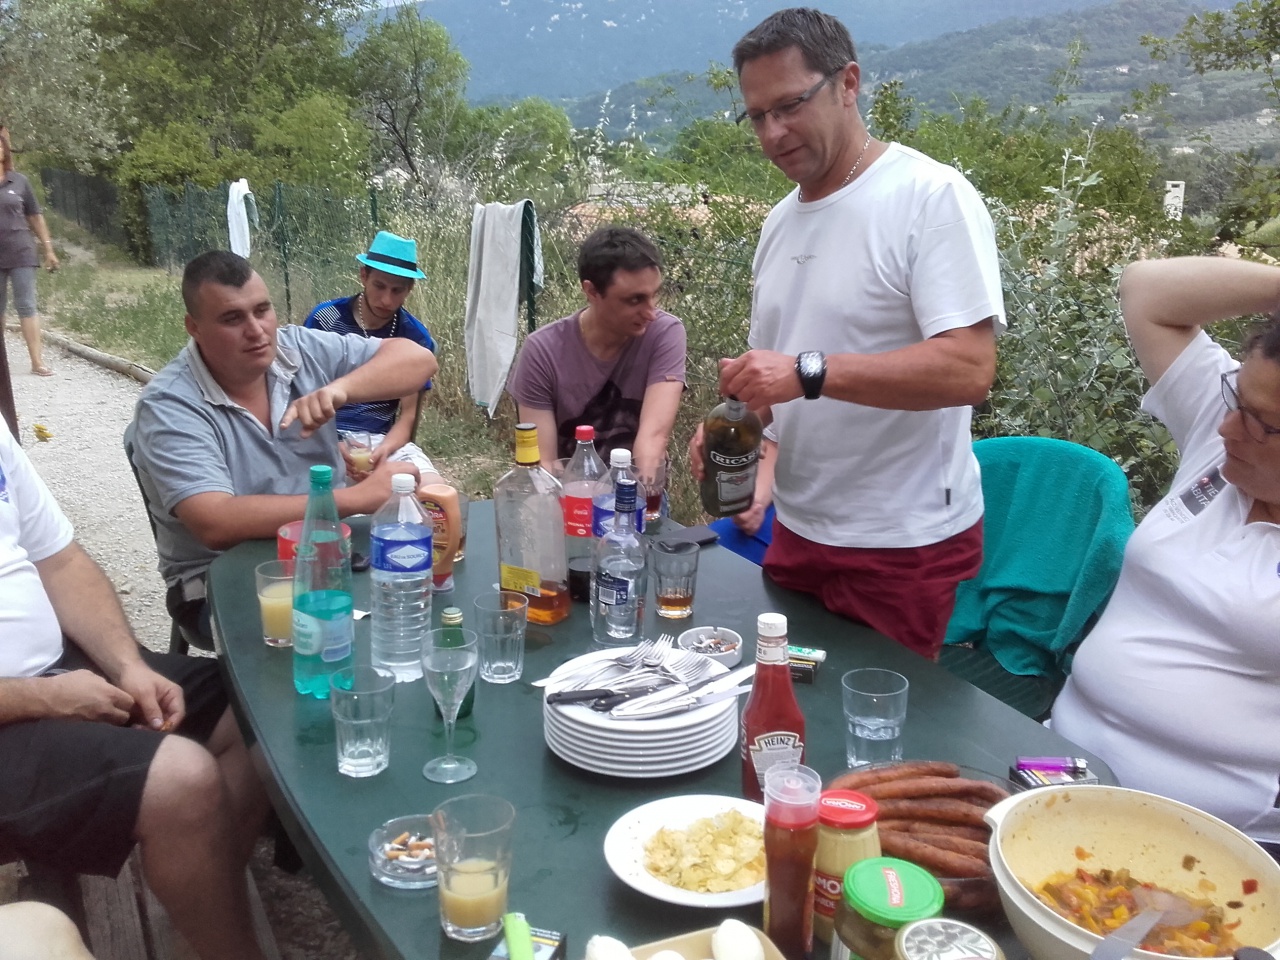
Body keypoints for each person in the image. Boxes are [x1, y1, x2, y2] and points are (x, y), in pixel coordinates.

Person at [690, 8, 1005, 659]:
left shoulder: (930, 197)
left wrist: (809, 371)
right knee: (788, 698)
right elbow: (775, 381)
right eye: (757, 116)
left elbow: (969, 369)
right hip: (799, 526)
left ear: (848, 83)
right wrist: (734, 424)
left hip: (902, 540)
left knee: (875, 716)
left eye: (790, 106)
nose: (773, 132)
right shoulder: (780, 222)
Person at [0, 417, 272, 960]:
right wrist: (43, 698)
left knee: (260, 707)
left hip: (58, 668)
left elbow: (60, 560)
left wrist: (127, 666)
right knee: (181, 777)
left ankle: (195, 922)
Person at [1051, 256, 1280, 846]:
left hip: (1214, 842)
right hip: (1057, 765)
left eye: (1260, 422)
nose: (1227, 428)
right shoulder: (1222, 447)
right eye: (1235, 400)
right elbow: (1147, 290)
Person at [129, 250, 437, 646]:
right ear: (194, 327)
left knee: (420, 598)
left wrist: (340, 389)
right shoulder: (169, 405)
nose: (256, 330)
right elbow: (215, 522)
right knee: (345, 637)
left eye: (262, 310)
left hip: (328, 556)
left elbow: (419, 361)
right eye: (232, 318)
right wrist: (356, 498)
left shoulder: (298, 348)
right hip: (221, 581)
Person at [506, 226, 686, 481]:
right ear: (591, 291)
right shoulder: (542, 351)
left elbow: (653, 439)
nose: (651, 313)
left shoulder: (665, 333)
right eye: (635, 300)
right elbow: (542, 464)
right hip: (569, 493)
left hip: (636, 490)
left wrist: (635, 500)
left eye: (654, 295)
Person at [304, 231, 445, 491]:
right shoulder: (325, 320)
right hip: (322, 438)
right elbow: (303, 394)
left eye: (397, 290)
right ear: (363, 276)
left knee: (434, 491)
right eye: (379, 286)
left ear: (410, 289)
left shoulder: (414, 338)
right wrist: (334, 442)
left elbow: (408, 417)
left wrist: (383, 452)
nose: (386, 300)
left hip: (382, 441)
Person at [0, 127, 59, 377]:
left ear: (4, 151)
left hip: (21, 252)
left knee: (26, 305)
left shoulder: (20, 181)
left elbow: (35, 216)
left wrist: (49, 249)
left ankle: (37, 361)